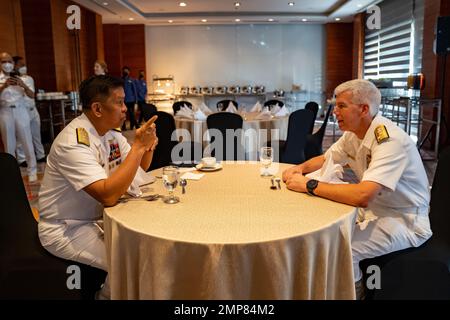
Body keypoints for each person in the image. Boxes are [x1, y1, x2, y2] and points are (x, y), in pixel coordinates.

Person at [282, 79, 432, 298]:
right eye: (335, 105)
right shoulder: (354, 133)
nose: (335, 112)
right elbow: (327, 158)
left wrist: (309, 184)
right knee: (323, 228)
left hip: (404, 219)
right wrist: (299, 169)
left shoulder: (389, 141)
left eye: (341, 106)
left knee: (342, 249)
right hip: (376, 209)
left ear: (364, 109)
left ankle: (355, 294)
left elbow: (363, 196)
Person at [38, 75, 158, 274]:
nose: (125, 108)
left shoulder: (110, 133)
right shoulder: (74, 141)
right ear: (97, 109)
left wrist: (147, 146)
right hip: (67, 228)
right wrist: (138, 148)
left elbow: (138, 168)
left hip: (98, 218)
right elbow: (108, 196)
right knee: (130, 266)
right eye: (119, 102)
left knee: (143, 249)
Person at [0, 52, 37, 181]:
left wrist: (23, 85)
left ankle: (32, 170)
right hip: (5, 111)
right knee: (9, 144)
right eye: (4, 61)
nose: (7, 64)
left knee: (27, 141)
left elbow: (32, 95)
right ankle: (10, 172)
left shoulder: (23, 78)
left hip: (21, 110)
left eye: (9, 61)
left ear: (13, 63)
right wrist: (4, 86)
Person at [13, 55, 46, 165]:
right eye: (21, 65)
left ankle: (40, 155)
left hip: (33, 109)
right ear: (15, 66)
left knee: (36, 134)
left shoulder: (29, 78)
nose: (24, 67)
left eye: (24, 65)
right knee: (21, 136)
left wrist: (24, 86)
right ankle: (22, 159)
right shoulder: (12, 80)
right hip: (22, 110)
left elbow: (32, 94)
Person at [121, 66, 138, 130]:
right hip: (123, 100)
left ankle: (134, 126)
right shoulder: (121, 79)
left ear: (129, 72)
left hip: (131, 100)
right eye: (124, 70)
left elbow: (134, 90)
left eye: (126, 70)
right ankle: (123, 127)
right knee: (123, 115)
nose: (125, 72)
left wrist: (136, 100)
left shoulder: (131, 80)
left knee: (131, 114)